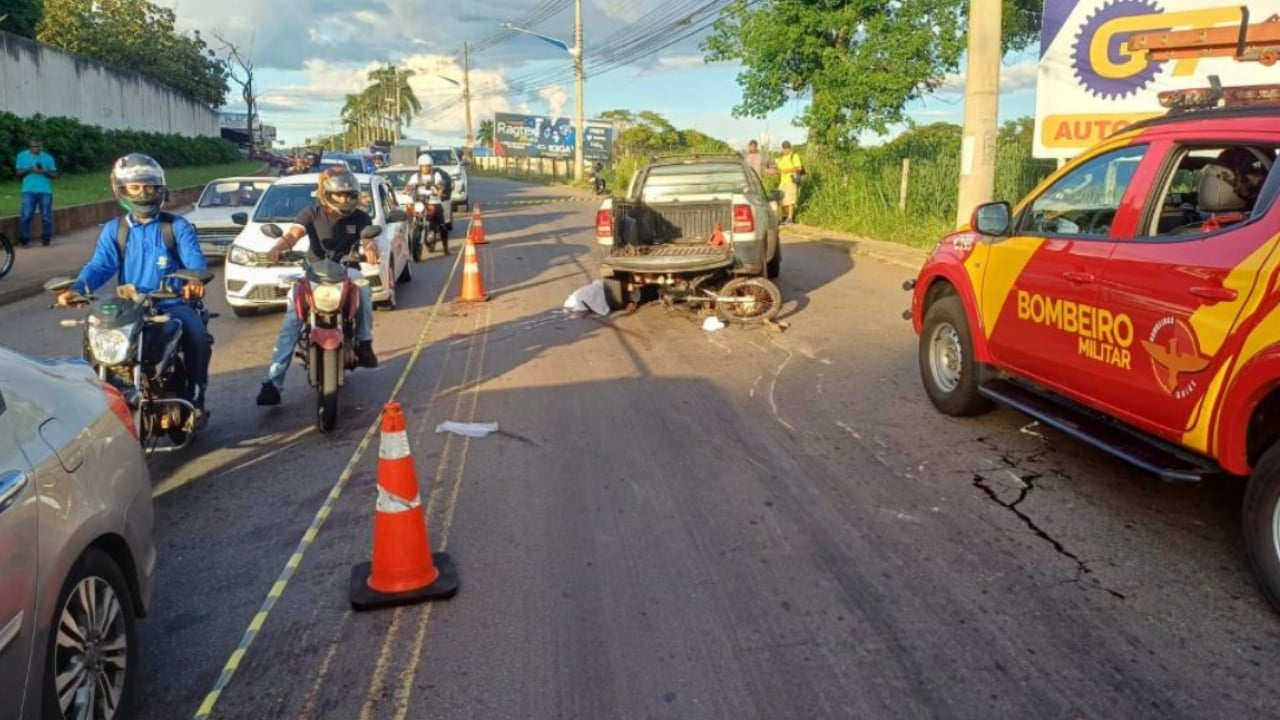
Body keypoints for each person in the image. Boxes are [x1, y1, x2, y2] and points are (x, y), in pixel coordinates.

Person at [56, 153, 212, 425]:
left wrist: (193, 282)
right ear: (122, 189)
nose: (143, 192)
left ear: (160, 189)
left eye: (149, 186)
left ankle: (196, 395)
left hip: (172, 304)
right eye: (136, 186)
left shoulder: (176, 226)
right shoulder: (115, 230)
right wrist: (78, 288)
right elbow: (100, 265)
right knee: (95, 344)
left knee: (197, 336)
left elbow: (194, 260)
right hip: (130, 308)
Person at [256, 167, 380, 407]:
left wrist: (371, 250)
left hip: (347, 270)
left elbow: (368, 239)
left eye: (349, 194)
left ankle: (364, 342)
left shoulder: (360, 217)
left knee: (364, 288)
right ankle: (273, 382)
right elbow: (293, 234)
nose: (345, 199)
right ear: (327, 194)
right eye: (340, 195)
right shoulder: (311, 213)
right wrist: (278, 247)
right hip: (314, 273)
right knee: (291, 319)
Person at [403, 153, 454, 252]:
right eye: (423, 166)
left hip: (434, 202)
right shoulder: (415, 176)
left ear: (431, 166)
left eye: (427, 166)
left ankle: (446, 249)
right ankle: (414, 235)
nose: (425, 168)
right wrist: (407, 189)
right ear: (420, 167)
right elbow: (410, 185)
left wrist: (440, 190)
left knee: (443, 225)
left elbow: (440, 184)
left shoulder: (436, 175)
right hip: (420, 203)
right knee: (411, 215)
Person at [14, 135, 58, 247]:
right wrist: (30, 169)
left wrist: (44, 171)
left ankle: (46, 239)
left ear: (41, 146)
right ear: (30, 146)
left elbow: (54, 175)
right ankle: (25, 240)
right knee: (26, 215)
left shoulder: (48, 158)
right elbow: (18, 173)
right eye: (33, 147)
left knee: (46, 216)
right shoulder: (21, 156)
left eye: (38, 147)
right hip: (28, 190)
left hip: (45, 190)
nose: (36, 149)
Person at [775, 140, 804, 225]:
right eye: (784, 148)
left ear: (790, 148)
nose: (785, 150)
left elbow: (799, 168)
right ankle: (785, 217)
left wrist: (787, 170)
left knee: (790, 200)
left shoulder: (794, 156)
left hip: (791, 180)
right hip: (782, 181)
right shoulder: (782, 158)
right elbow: (779, 170)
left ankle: (790, 218)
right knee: (781, 200)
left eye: (787, 148)